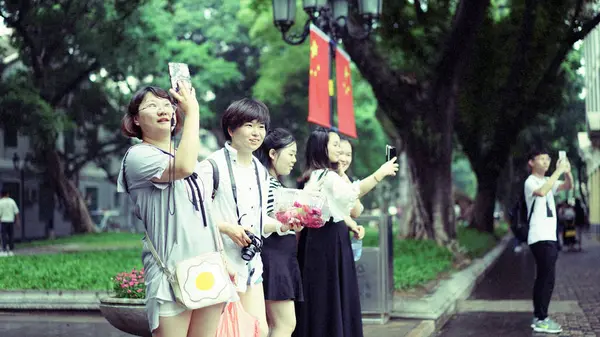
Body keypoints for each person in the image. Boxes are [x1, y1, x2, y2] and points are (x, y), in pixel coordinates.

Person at [117, 83, 236, 337]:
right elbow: (183, 167)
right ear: (136, 119)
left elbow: (197, 213)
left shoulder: (187, 156)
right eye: (151, 105)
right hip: (170, 273)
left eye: (167, 105)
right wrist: (193, 113)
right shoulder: (139, 156)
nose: (162, 110)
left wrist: (223, 252)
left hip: (207, 268)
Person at [199, 99, 298, 337]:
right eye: (249, 125)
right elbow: (193, 216)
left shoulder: (260, 171)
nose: (257, 133)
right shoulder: (211, 166)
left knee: (258, 330)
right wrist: (227, 228)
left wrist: (285, 226)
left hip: (251, 263)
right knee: (223, 331)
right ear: (231, 129)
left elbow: (260, 221)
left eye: (261, 126)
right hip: (219, 263)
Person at [293, 128, 397, 337]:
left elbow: (339, 209)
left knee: (326, 295)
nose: (339, 150)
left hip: (323, 239)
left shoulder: (320, 175)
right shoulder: (326, 176)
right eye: (335, 145)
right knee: (331, 294)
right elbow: (353, 194)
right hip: (328, 242)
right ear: (322, 148)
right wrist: (380, 173)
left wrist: (349, 223)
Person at [256, 128, 303, 337]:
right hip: (273, 256)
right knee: (285, 324)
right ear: (273, 154)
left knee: (272, 324)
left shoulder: (272, 182)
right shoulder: (266, 182)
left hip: (279, 256)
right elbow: (263, 219)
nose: (294, 159)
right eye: (291, 153)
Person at [525, 148, 572, 334]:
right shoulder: (531, 182)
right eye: (541, 159)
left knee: (546, 278)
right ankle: (541, 318)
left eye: (548, 159)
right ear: (531, 162)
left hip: (550, 237)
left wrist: (567, 172)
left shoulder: (547, 180)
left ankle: (540, 317)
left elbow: (568, 186)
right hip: (539, 236)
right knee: (546, 278)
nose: (546, 162)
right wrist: (558, 172)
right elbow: (543, 192)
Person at [0, 189, 20, 257]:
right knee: (11, 235)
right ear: (7, 194)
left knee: (3, 236)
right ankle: (11, 250)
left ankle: (4, 250)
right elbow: (16, 212)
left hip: (3, 221)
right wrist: (17, 221)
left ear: (1, 195)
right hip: (11, 221)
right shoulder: (12, 201)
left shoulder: (0, 202)